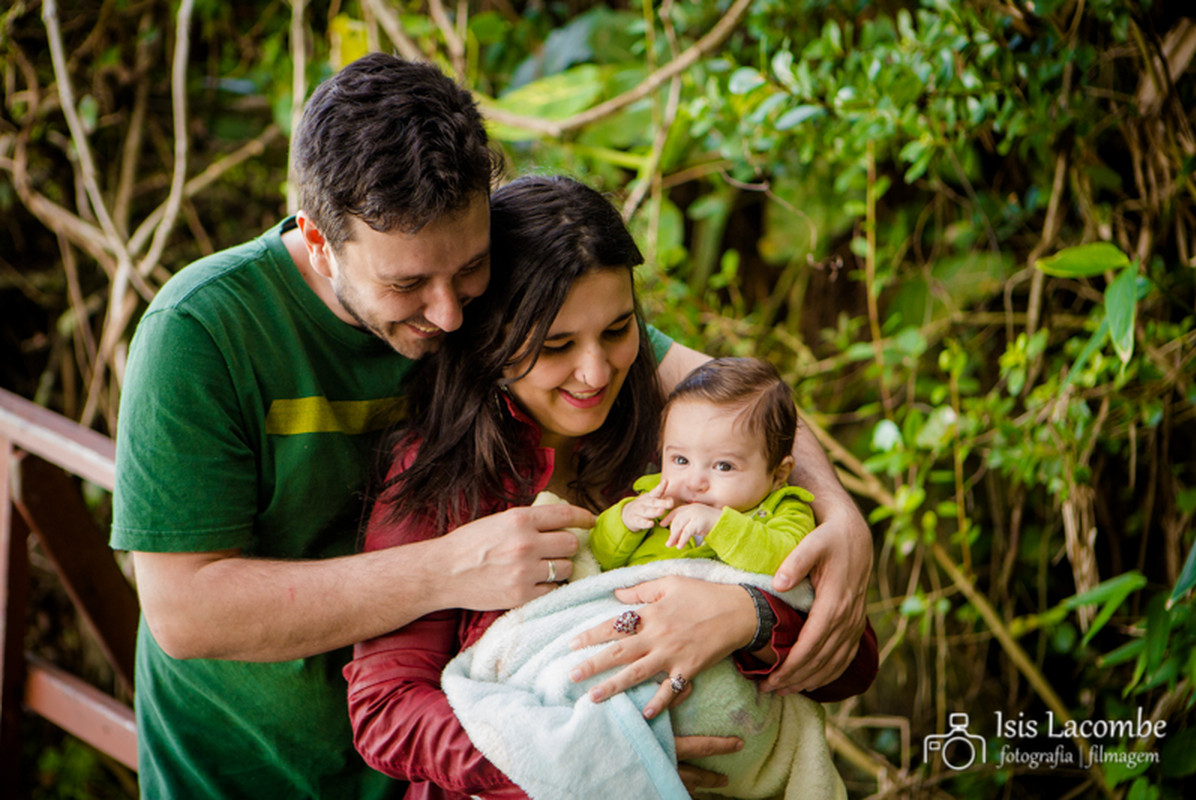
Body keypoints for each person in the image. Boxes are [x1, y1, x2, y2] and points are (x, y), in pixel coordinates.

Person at [109, 52, 870, 798]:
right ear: (317, 241)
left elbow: (722, 397)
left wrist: (831, 521)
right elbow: (185, 611)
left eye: (470, 273)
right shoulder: (203, 332)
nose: (447, 316)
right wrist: (590, 760)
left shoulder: (545, 329)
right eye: (408, 284)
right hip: (253, 766)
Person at [344, 176, 878, 799]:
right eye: (557, 345)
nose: (596, 372)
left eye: (619, 329)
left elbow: (851, 662)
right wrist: (603, 763)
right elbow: (386, 712)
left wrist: (748, 616)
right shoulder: (443, 476)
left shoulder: (687, 445)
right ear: (493, 341)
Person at [590, 357, 816, 574]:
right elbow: (599, 556)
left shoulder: (786, 511)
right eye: (681, 460)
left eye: (724, 466)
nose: (695, 482)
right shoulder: (654, 503)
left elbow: (788, 560)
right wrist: (626, 519)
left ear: (778, 474)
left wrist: (719, 526)